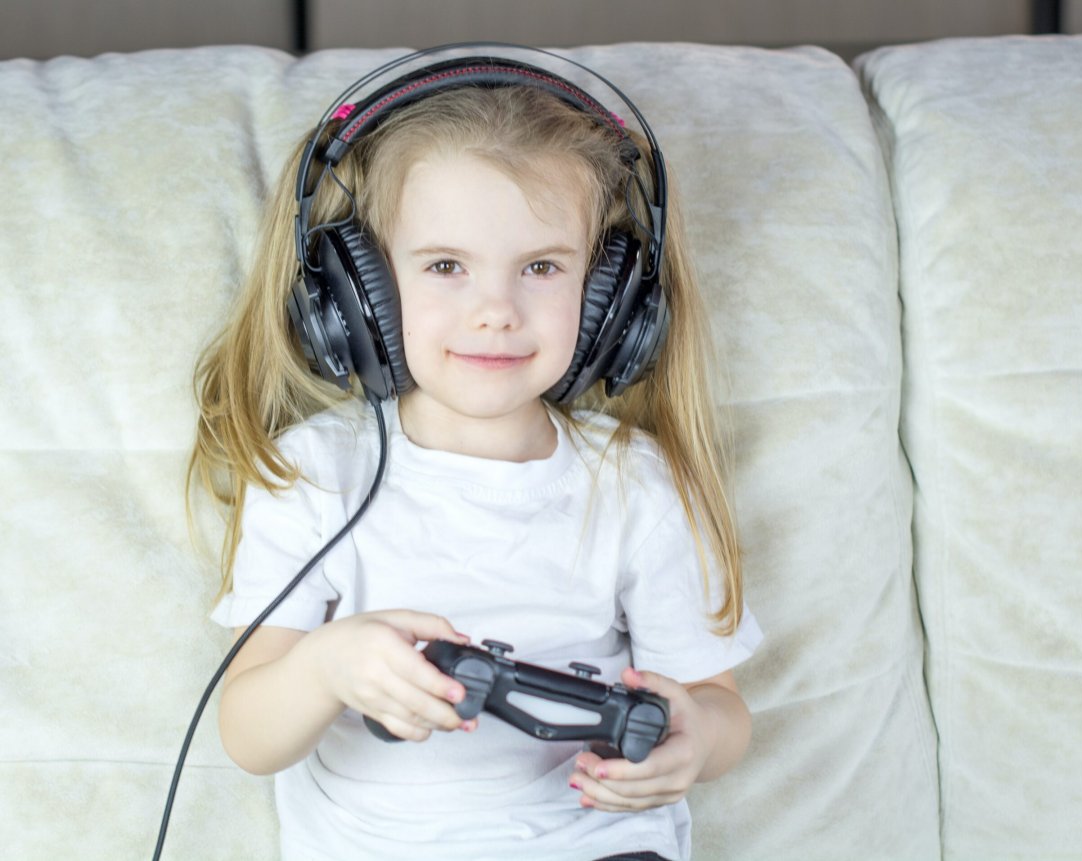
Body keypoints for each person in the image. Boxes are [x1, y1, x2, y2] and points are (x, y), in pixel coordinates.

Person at [188, 48, 762, 861]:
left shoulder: (635, 481)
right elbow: (248, 733)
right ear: (360, 295)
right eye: (446, 266)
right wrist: (326, 668)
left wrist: (696, 738)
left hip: (593, 842)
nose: (496, 311)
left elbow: (719, 706)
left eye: (541, 266)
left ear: (611, 301)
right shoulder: (315, 473)